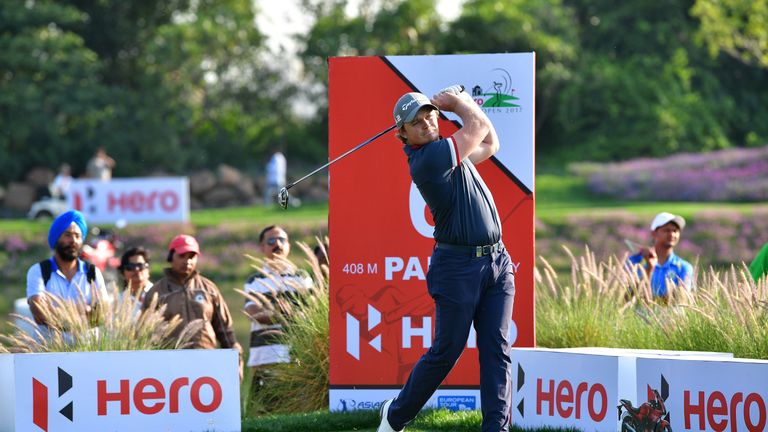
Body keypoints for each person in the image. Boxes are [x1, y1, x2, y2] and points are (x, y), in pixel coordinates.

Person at [379, 86, 516, 432]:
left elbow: (491, 143)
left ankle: (496, 429)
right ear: (403, 134)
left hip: (497, 263)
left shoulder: (451, 153)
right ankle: (395, 416)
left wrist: (459, 107)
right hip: (458, 269)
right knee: (447, 351)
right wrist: (460, 102)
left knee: (496, 349)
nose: (426, 123)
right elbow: (479, 126)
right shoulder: (428, 159)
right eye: (416, 121)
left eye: (429, 115)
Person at [141, 234, 243, 378]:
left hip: (207, 363)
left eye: (191, 256)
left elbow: (225, 329)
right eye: (182, 255)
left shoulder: (208, 288)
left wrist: (235, 357)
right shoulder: (157, 292)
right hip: (170, 366)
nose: (187, 261)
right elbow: (144, 333)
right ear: (171, 256)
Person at [243, 225, 313, 409]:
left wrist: (272, 311)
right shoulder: (254, 281)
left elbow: (311, 314)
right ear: (262, 247)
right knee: (263, 413)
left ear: (289, 245)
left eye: (282, 240)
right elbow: (256, 314)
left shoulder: (302, 277)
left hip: (297, 358)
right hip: (265, 358)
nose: (278, 244)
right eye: (271, 241)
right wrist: (290, 312)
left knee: (296, 413)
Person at [26, 210, 109, 328]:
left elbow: (102, 314)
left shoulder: (92, 272)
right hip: (50, 345)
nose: (73, 241)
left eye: (77, 236)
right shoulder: (39, 271)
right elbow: (39, 313)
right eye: (68, 235)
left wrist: (56, 312)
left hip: (88, 346)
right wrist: (84, 311)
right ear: (56, 238)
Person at [626, 212, 694, 298]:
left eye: (675, 231)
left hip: (672, 312)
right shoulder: (634, 261)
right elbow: (627, 297)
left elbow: (681, 299)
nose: (672, 234)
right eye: (667, 230)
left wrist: (649, 299)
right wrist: (649, 269)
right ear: (654, 233)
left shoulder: (684, 267)